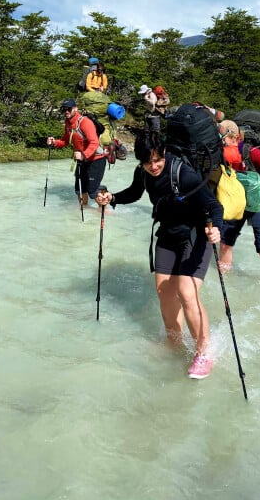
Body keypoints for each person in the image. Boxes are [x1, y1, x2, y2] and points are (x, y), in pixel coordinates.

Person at [96, 131, 224, 380]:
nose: (153, 166)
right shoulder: (143, 172)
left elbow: (213, 205)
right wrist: (112, 198)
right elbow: (134, 192)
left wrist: (216, 226)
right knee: (164, 292)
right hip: (168, 235)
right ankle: (173, 342)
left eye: (157, 160)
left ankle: (204, 352)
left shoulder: (183, 174)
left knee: (187, 294)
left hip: (195, 236)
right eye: (147, 162)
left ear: (164, 154)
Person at [218, 120, 260, 295]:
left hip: (258, 203)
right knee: (225, 244)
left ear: (233, 137)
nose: (219, 142)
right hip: (235, 203)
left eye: (222, 139)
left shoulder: (252, 152)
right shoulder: (218, 153)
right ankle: (224, 281)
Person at [46, 99, 106, 206]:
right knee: (80, 189)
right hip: (81, 160)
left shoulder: (85, 123)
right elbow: (65, 141)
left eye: (68, 109)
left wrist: (83, 155)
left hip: (96, 160)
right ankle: (83, 212)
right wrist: (54, 143)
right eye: (63, 109)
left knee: (93, 191)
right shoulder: (68, 123)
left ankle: (105, 212)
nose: (66, 111)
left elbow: (94, 142)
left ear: (75, 109)